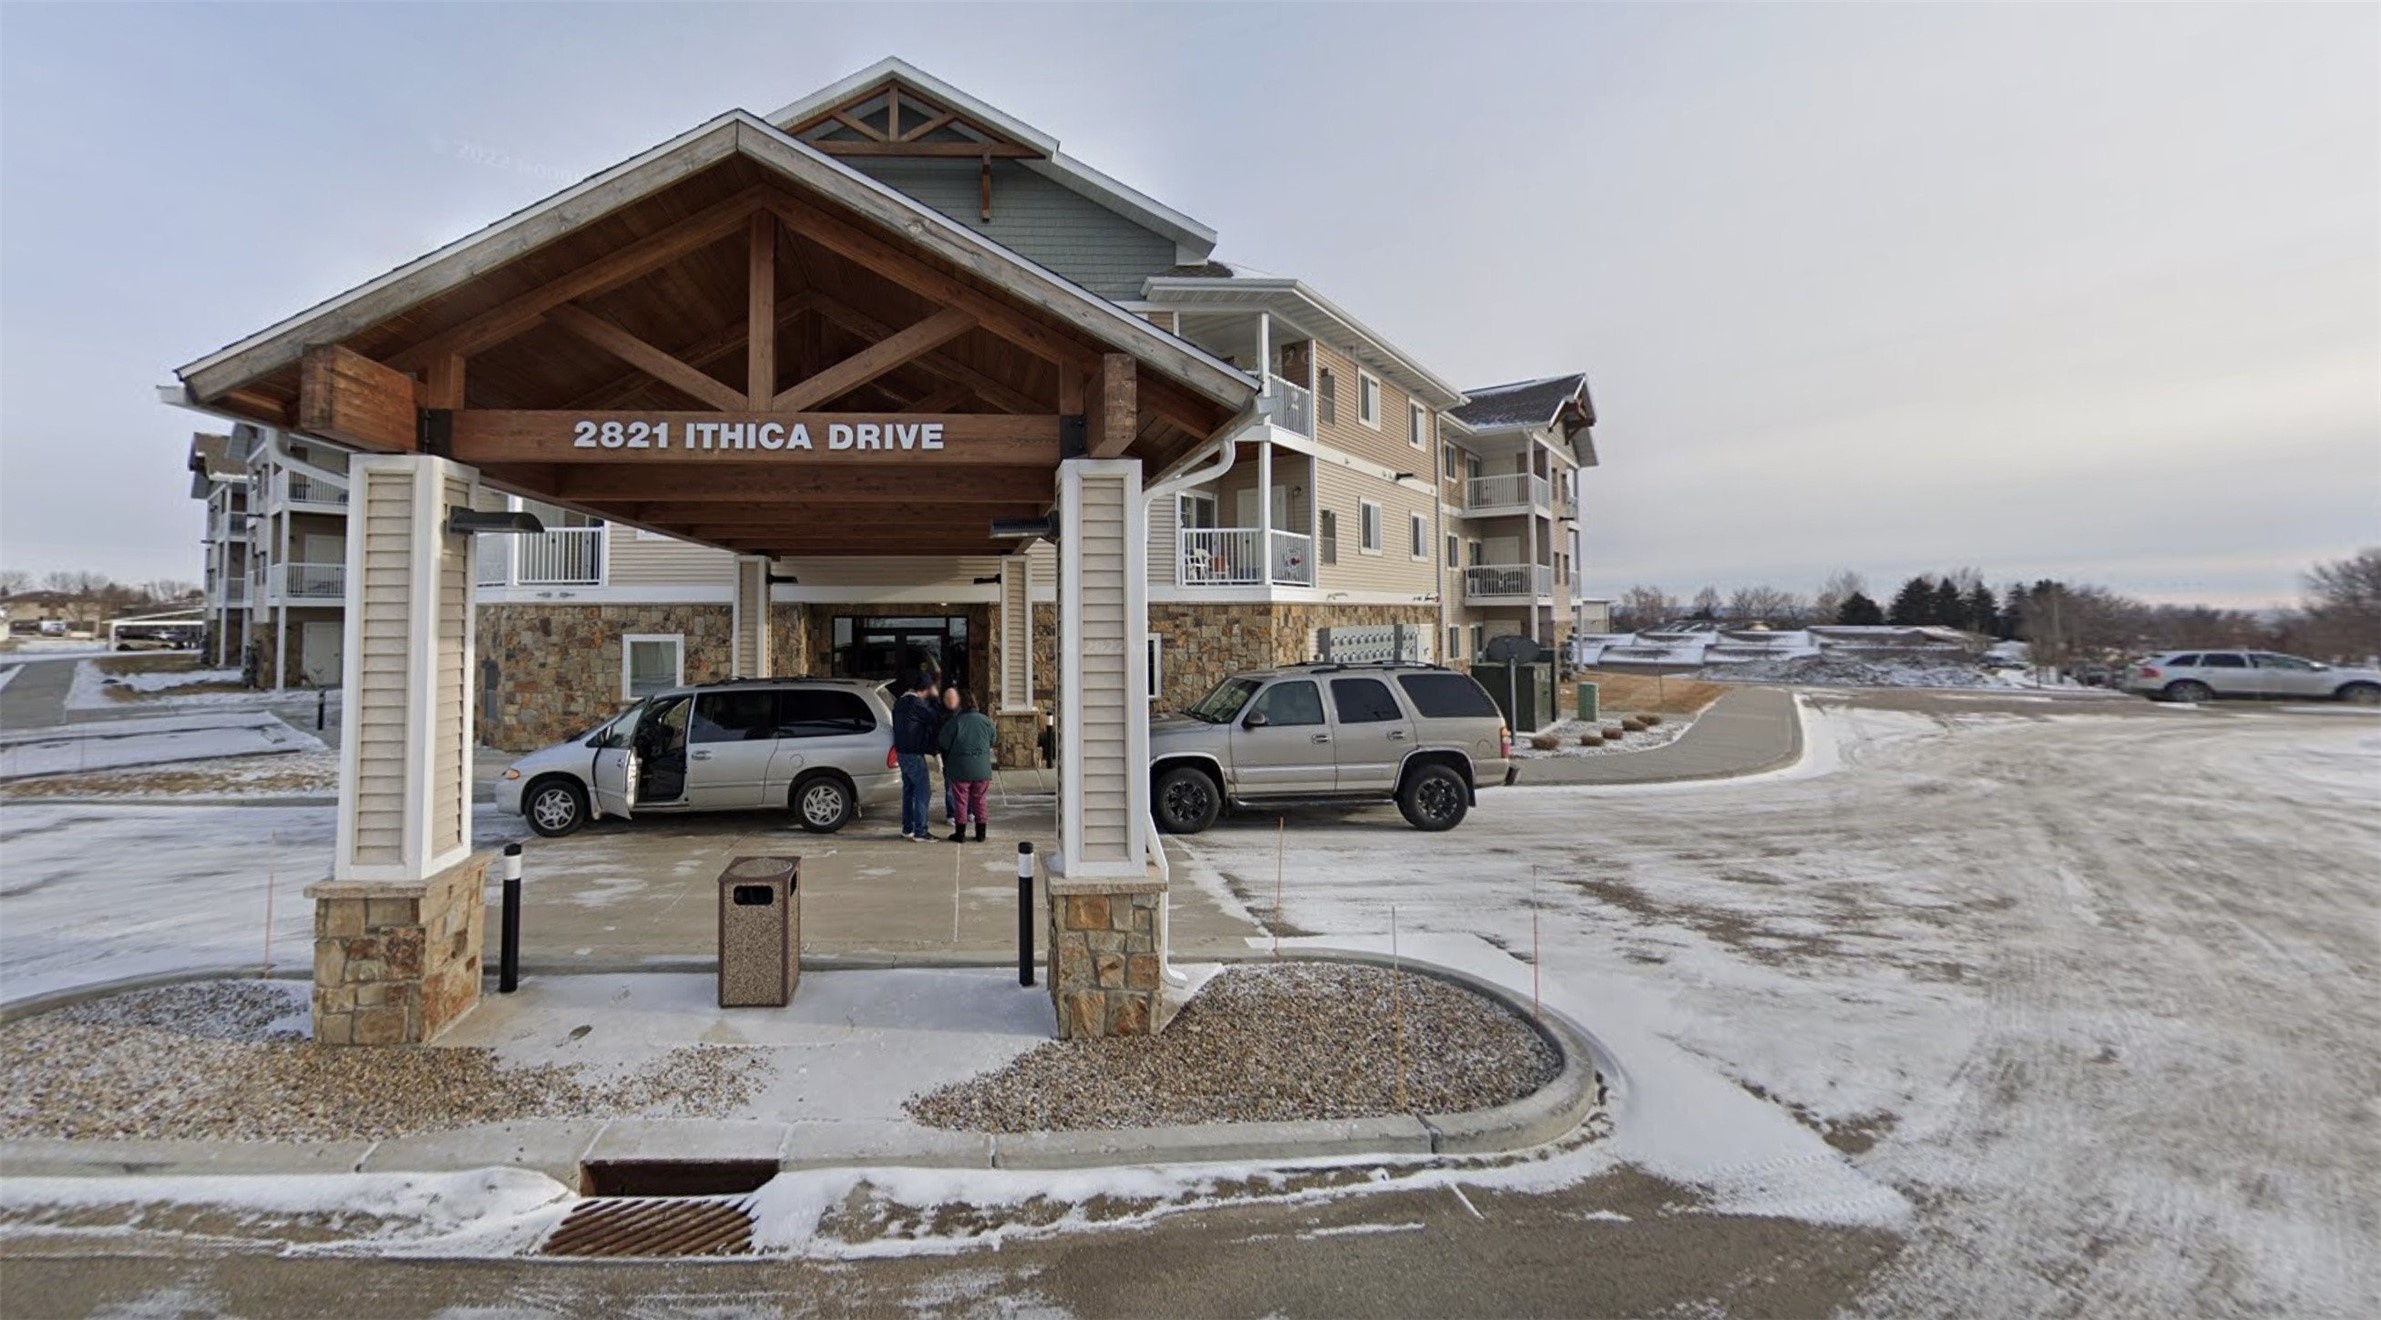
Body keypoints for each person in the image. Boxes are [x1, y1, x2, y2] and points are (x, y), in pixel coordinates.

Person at [936, 689, 997, 843]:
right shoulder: (986, 721)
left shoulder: (955, 721)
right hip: (981, 769)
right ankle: (981, 833)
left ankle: (960, 833)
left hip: (960, 769)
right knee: (980, 800)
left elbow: (943, 741)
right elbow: (993, 740)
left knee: (961, 801)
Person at [891, 671, 942, 842]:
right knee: (923, 791)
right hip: (913, 753)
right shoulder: (916, 703)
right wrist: (935, 698)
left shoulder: (899, 702)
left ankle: (908, 828)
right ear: (925, 689)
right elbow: (934, 717)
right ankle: (920, 831)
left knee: (909, 791)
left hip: (901, 752)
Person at [939, 684, 963, 827]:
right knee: (950, 788)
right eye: (947, 698)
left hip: (962, 757)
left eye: (953, 698)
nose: (950, 701)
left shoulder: (962, 716)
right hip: (948, 758)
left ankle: (969, 811)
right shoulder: (941, 716)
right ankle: (952, 814)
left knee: (967, 786)